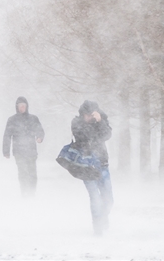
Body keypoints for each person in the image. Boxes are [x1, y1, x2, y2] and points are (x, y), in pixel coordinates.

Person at [71, 100, 113, 236]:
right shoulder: (76, 122)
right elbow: (84, 137)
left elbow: (107, 135)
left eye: (92, 115)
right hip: (86, 166)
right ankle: (98, 227)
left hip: (102, 164)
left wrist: (100, 121)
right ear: (83, 114)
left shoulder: (101, 121)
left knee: (108, 199)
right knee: (95, 198)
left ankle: (104, 218)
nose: (90, 117)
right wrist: (93, 124)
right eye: (87, 115)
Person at [3, 96, 45, 197]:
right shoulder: (12, 120)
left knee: (32, 173)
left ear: (27, 106)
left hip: (31, 151)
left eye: (23, 106)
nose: (22, 108)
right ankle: (25, 193)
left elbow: (40, 130)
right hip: (19, 151)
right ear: (16, 107)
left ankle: (32, 192)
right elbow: (7, 135)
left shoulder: (33, 119)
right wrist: (6, 151)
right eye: (20, 106)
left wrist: (40, 137)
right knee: (23, 173)